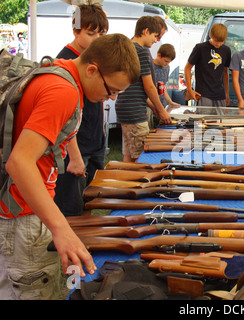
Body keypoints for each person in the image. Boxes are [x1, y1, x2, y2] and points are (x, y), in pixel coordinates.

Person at [0, 33, 140, 300]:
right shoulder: (63, 91)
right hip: (23, 215)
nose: (110, 98)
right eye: (112, 90)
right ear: (92, 70)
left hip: (25, 210)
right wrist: (60, 229)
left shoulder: (60, 72)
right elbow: (19, 162)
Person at [54, 3, 109, 217]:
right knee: (72, 205)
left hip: (95, 140)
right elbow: (66, 119)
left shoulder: (93, 57)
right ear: (75, 31)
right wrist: (74, 156)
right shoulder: (65, 61)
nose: (97, 39)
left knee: (91, 200)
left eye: (102, 34)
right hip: (76, 147)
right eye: (91, 33)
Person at [115, 16, 172, 162]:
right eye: (155, 36)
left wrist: (155, 108)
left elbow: (138, 87)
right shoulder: (142, 51)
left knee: (128, 155)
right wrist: (161, 110)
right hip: (135, 112)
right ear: (146, 31)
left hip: (124, 109)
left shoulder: (126, 47)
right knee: (141, 158)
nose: (156, 40)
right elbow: (149, 86)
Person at [184, 23, 231, 110]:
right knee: (203, 121)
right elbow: (187, 68)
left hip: (220, 94)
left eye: (221, 42)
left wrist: (227, 93)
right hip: (203, 93)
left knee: (219, 122)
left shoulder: (226, 50)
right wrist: (190, 89)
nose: (218, 44)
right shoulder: (200, 48)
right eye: (216, 40)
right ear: (211, 35)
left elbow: (225, 72)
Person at [151, 43, 180, 108]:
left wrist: (170, 101)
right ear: (159, 55)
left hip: (161, 103)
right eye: (166, 61)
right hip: (150, 103)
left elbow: (163, 87)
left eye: (169, 62)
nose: (167, 64)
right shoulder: (150, 66)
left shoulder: (167, 68)